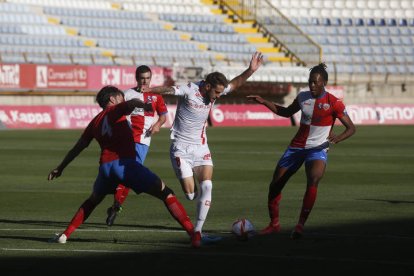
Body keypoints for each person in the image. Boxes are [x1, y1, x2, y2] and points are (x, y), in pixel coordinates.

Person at [48, 85, 201, 248]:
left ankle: (65, 234)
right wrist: (144, 105)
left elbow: (78, 147)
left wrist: (61, 167)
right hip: (125, 165)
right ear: (112, 99)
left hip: (105, 169)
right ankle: (194, 236)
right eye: (121, 97)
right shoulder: (115, 110)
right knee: (166, 193)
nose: (123, 100)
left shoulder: (95, 121)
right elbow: (132, 103)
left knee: (93, 200)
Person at [143, 52, 264, 242]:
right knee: (191, 195)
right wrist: (148, 90)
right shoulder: (190, 89)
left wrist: (251, 70)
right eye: (216, 92)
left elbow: (235, 83)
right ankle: (194, 200)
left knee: (207, 186)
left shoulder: (215, 90)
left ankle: (197, 233)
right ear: (207, 86)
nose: (218, 96)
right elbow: (168, 90)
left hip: (200, 147)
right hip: (180, 148)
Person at [247, 63, 356, 239]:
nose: (312, 85)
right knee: (275, 185)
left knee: (313, 179)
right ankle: (274, 224)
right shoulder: (302, 97)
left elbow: (351, 128)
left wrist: (339, 137)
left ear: (324, 83)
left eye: (315, 82)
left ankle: (300, 225)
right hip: (296, 148)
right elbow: (285, 112)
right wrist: (264, 102)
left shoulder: (334, 103)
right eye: (310, 82)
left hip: (318, 149)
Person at [106, 65, 168, 226]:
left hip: (142, 141)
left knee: (127, 174)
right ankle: (116, 205)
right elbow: (116, 112)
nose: (145, 81)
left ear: (151, 78)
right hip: (125, 139)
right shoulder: (127, 94)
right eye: (142, 78)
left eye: (147, 78)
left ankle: (116, 205)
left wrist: (157, 125)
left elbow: (163, 116)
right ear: (136, 78)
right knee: (125, 174)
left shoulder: (156, 96)